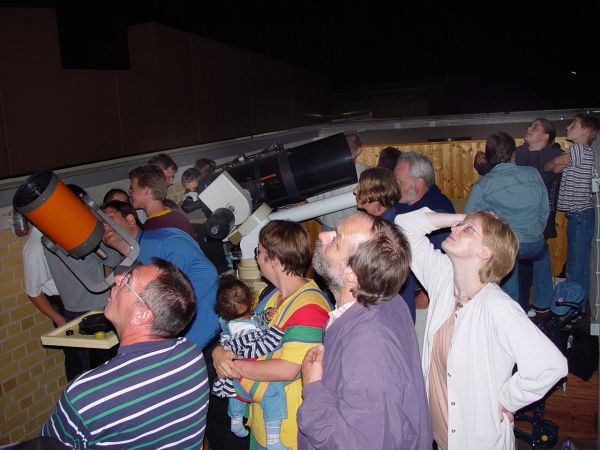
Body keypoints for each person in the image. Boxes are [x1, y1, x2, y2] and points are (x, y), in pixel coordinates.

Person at [395, 208, 568, 450]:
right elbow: (404, 225)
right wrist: (463, 218)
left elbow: (551, 365)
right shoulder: (443, 277)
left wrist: (508, 400)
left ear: (485, 252)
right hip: (441, 439)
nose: (455, 229)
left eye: (468, 230)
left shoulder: (497, 306)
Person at [41, 259, 209, 449]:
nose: (117, 278)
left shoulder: (85, 396)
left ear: (141, 315)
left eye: (128, 280)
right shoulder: (191, 357)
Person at [297, 213, 432, 450]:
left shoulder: (368, 343)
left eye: (336, 239)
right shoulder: (387, 299)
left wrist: (313, 388)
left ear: (352, 274)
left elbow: (360, 443)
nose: (323, 235)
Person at [212, 220, 331, 450]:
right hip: (260, 422)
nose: (256, 258)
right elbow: (240, 332)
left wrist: (231, 365)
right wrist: (219, 352)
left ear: (274, 258)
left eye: (259, 252)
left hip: (288, 432)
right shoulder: (269, 295)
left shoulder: (310, 307)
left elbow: (288, 369)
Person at [101, 200, 220, 350]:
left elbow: (206, 272)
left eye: (109, 218)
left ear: (130, 219)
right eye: (100, 223)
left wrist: (167, 313)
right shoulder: (128, 261)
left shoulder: (162, 240)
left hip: (208, 341)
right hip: (179, 345)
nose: (104, 225)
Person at [473, 118, 562, 310]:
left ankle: (513, 308)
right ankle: (543, 304)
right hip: (535, 241)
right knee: (542, 254)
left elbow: (469, 216)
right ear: (514, 155)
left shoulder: (484, 184)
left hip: (511, 245)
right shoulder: (532, 173)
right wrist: (536, 230)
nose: (529, 128)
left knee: (506, 256)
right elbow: (544, 208)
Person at [212, 276, 288, 450]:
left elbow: (253, 319)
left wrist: (265, 316)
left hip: (235, 378)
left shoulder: (233, 324)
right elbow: (259, 347)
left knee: (235, 394)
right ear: (251, 299)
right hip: (250, 375)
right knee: (274, 394)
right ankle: (273, 441)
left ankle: (236, 420)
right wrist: (276, 333)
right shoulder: (244, 334)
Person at [544, 114, 600, 303]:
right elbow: (554, 168)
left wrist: (556, 161)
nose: (568, 127)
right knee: (579, 264)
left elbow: (549, 166)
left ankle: (572, 307)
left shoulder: (579, 150)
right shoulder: (581, 152)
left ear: (585, 131)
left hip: (580, 215)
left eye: (573, 125)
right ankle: (578, 306)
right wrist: (556, 161)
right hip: (580, 215)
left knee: (575, 266)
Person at [392, 151, 455, 312]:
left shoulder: (438, 211)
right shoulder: (401, 204)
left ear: (419, 183)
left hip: (421, 296)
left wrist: (424, 297)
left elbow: (447, 261)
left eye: (400, 182)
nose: (395, 186)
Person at [353, 167, 416, 320]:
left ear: (375, 195)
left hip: (392, 313)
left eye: (361, 187)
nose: (355, 190)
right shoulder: (384, 221)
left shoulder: (389, 231)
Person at [309, 130, 370, 230]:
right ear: (359, 150)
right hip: (354, 229)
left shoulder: (321, 172)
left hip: (328, 227)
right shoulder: (365, 174)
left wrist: (326, 221)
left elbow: (310, 205)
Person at [129, 164, 195, 237]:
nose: (129, 194)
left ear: (147, 190)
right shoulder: (177, 218)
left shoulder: (158, 226)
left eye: (132, 189)